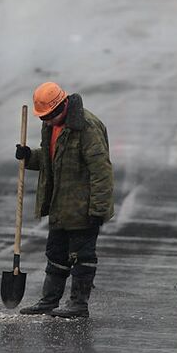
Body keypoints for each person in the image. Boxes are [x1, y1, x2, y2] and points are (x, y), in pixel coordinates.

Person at [15, 82, 114, 319]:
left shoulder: (87, 128)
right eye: (43, 118)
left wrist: (98, 209)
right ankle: (49, 301)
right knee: (56, 254)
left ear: (62, 106)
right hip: (61, 205)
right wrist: (29, 157)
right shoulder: (51, 128)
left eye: (49, 116)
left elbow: (102, 171)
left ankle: (79, 304)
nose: (46, 122)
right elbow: (51, 161)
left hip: (84, 207)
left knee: (82, 256)